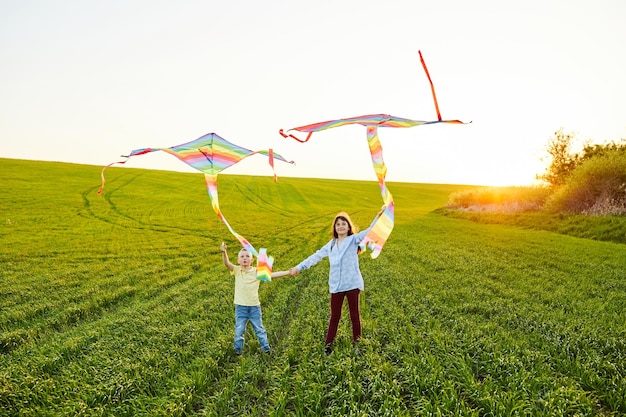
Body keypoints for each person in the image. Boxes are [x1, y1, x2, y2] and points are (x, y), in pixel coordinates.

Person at [288, 207, 385, 354]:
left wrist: (378, 217)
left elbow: (369, 232)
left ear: (348, 227)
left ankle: (357, 343)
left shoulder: (354, 240)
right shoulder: (331, 244)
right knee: (335, 316)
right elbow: (316, 256)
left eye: (343, 224)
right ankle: (328, 345)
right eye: (338, 224)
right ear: (334, 227)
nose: (340, 226)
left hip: (352, 283)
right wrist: (299, 267)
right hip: (336, 286)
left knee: (354, 315)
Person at [220, 242, 289, 355]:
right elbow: (227, 263)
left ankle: (266, 348)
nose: (245, 258)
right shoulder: (237, 270)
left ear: (252, 260)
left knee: (259, 329)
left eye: (247, 256)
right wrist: (224, 252)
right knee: (239, 330)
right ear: (238, 261)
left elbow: (272, 275)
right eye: (242, 256)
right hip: (241, 307)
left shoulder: (257, 271)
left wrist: (287, 272)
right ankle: (238, 351)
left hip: (254, 307)